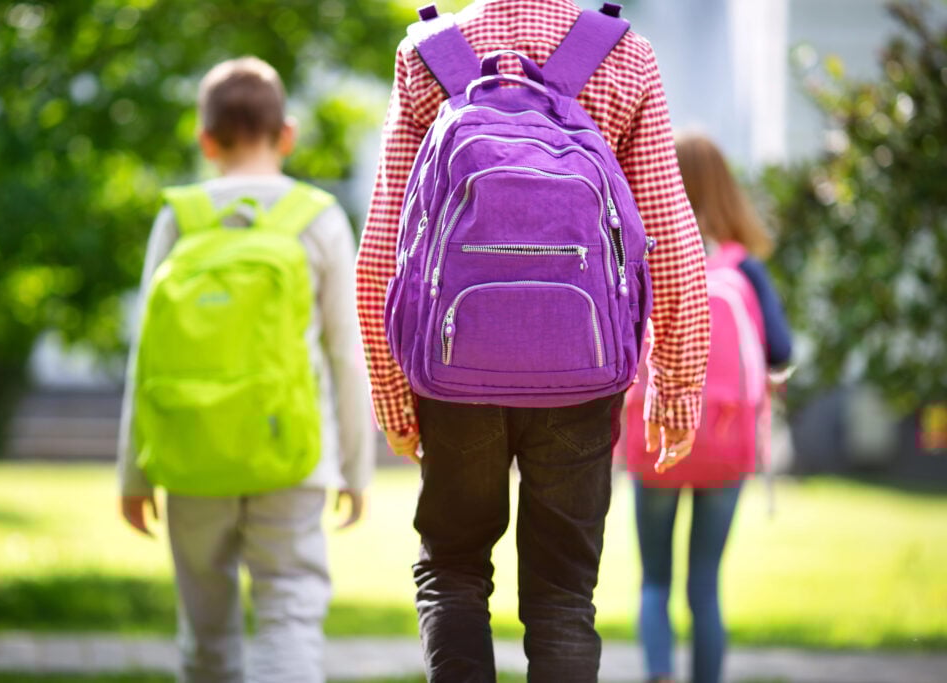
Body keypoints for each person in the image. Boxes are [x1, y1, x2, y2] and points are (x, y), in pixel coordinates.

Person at [355, 1, 711, 680]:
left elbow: (382, 251)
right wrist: (680, 381)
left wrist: (392, 391)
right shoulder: (625, 54)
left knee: (453, 568)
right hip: (583, 370)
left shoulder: (429, 52)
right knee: (564, 596)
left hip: (455, 369)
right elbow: (670, 236)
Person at [116, 56, 374, 683]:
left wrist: (134, 471)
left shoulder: (179, 215)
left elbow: (145, 353)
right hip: (294, 454)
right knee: (289, 612)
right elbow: (347, 350)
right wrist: (355, 467)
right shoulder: (318, 218)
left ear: (206, 142)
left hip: (191, 451)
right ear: (286, 134)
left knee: (205, 630)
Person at [631, 131, 793, 683]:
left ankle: (658, 677)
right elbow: (782, 350)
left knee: (655, 580)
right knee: (705, 583)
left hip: (654, 437)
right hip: (725, 439)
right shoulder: (744, 267)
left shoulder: (645, 255)